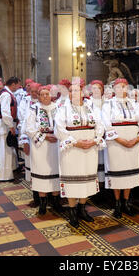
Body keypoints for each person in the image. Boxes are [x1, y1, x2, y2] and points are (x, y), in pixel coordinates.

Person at [54, 78, 106, 228]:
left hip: (89, 149)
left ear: (83, 92)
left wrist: (95, 140)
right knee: (72, 181)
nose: (72, 93)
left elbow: (100, 124)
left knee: (86, 180)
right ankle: (72, 212)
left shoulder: (91, 108)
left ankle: (82, 209)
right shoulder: (62, 108)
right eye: (70, 90)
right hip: (71, 150)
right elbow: (59, 129)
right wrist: (75, 142)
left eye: (76, 90)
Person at [102, 78, 139, 219]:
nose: (123, 89)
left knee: (129, 174)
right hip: (115, 144)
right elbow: (106, 124)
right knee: (117, 172)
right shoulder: (108, 104)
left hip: (133, 143)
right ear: (114, 89)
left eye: (125, 86)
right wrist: (120, 140)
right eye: (120, 86)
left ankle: (126, 203)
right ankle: (117, 204)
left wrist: (137, 138)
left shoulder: (135, 104)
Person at [21, 85, 63, 215]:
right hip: (41, 146)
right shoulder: (33, 109)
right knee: (41, 172)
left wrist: (58, 135)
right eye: (42, 94)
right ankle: (43, 203)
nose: (45, 96)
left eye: (47, 94)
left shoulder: (59, 108)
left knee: (55, 171)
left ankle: (56, 201)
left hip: (56, 144)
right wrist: (44, 137)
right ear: (38, 96)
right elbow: (29, 128)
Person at [0, 77, 20, 182]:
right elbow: (5, 112)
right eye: (18, 85)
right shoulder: (5, 94)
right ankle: (3, 176)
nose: (19, 87)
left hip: (7, 124)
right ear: (13, 84)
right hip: (5, 125)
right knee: (4, 151)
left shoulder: (7, 93)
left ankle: (9, 171)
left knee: (8, 150)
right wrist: (10, 126)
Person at [85, 80, 106, 188]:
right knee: (94, 163)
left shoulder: (107, 101)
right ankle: (94, 187)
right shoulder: (88, 103)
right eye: (94, 88)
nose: (96, 90)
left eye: (99, 88)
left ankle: (104, 188)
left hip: (106, 137)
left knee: (105, 162)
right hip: (93, 136)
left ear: (102, 90)